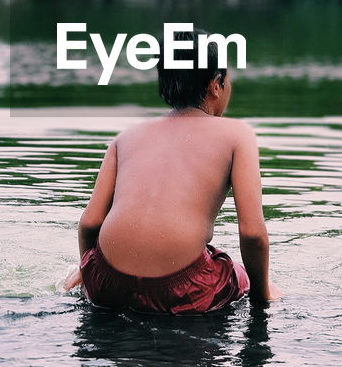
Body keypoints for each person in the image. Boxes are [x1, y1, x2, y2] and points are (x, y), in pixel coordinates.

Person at [64, 27, 279, 313]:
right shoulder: (237, 135)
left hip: (106, 283)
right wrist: (262, 293)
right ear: (217, 84)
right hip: (183, 291)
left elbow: (90, 223)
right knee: (237, 274)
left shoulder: (126, 137)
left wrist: (90, 275)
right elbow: (252, 233)